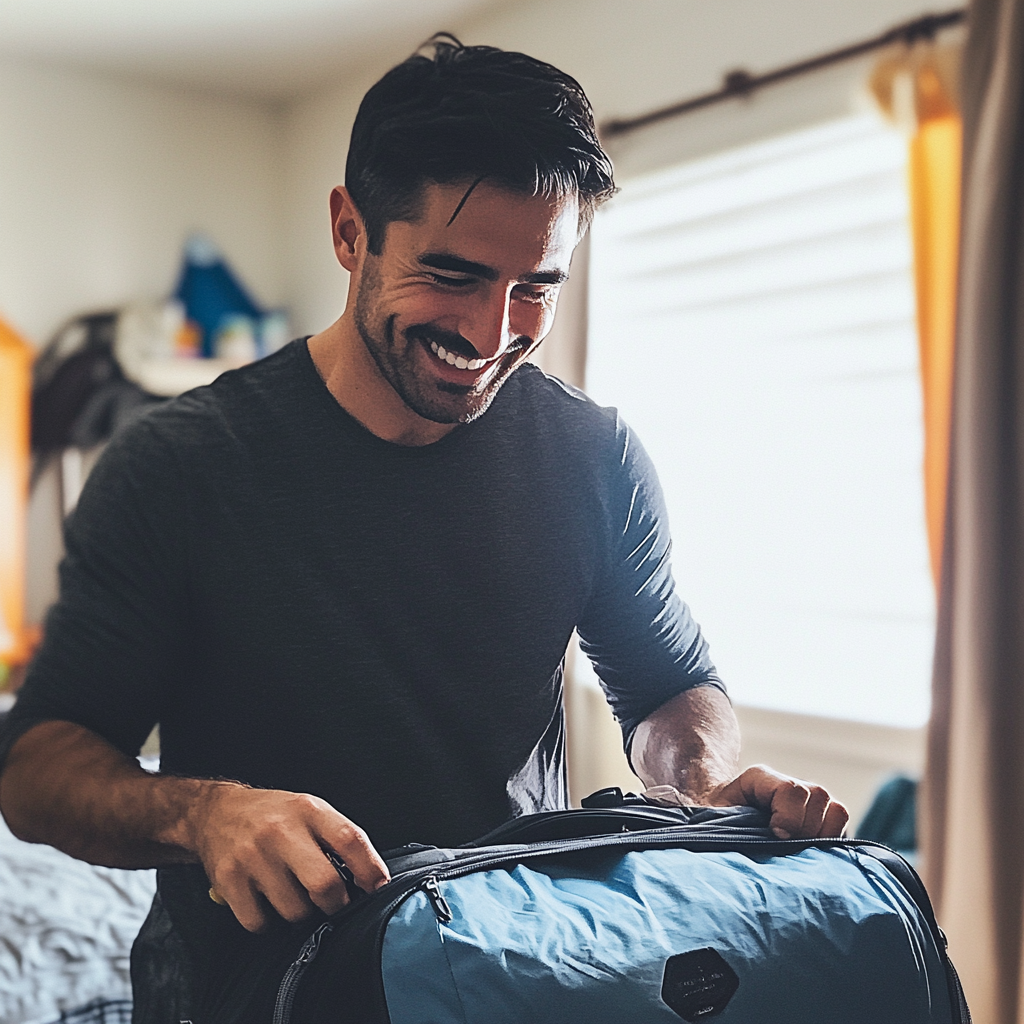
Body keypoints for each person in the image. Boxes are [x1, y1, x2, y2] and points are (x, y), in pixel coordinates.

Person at [0, 36, 848, 1018]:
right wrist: (203, 814)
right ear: (349, 230)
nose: (492, 336)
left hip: (511, 961)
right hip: (255, 987)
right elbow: (38, 768)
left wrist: (701, 780)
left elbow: (663, 684)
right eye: (452, 274)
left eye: (535, 286)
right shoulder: (178, 465)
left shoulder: (592, 457)